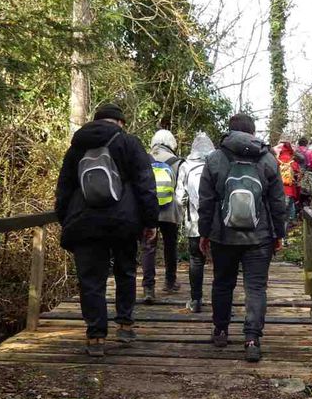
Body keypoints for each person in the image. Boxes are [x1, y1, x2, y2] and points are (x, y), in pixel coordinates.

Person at [55, 102, 159, 358]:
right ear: (120, 122)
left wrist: (65, 219)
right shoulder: (129, 143)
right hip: (123, 220)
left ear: (96, 120)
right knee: (124, 271)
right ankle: (124, 325)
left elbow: (64, 187)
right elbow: (146, 184)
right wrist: (150, 222)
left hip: (84, 220)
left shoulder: (77, 146)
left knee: (91, 279)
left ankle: (95, 337)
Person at [198, 114, 288, 362]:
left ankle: (220, 330)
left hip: (222, 235)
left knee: (222, 283)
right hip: (259, 237)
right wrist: (279, 233)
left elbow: (206, 202)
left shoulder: (215, 158)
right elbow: (277, 202)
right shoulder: (268, 159)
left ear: (229, 131)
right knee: (256, 287)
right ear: (253, 132)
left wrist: (204, 233)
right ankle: (251, 339)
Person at [142, 129, 182, 303]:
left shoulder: (144, 158)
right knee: (170, 245)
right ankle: (170, 281)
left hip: (148, 209)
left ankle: (148, 288)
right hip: (169, 210)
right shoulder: (176, 161)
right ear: (171, 143)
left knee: (148, 247)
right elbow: (180, 190)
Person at [176, 132, 215, 313]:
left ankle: (196, 299)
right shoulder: (217, 163)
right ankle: (220, 302)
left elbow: (179, 197)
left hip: (194, 222)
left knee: (196, 260)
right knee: (220, 263)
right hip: (216, 222)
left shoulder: (186, 165)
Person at [276, 141, 301, 228]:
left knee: (278, 218)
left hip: (277, 192)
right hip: (290, 192)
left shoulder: (276, 161)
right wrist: (297, 196)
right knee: (286, 218)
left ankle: (278, 239)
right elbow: (298, 181)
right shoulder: (293, 162)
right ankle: (283, 238)